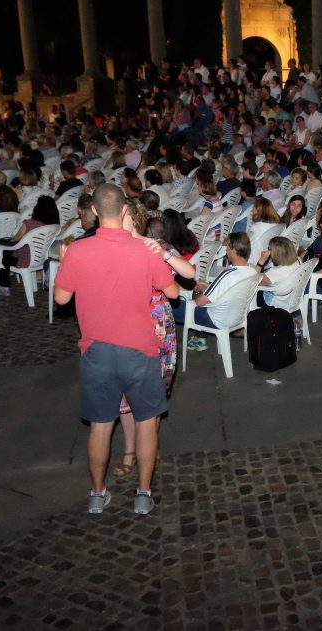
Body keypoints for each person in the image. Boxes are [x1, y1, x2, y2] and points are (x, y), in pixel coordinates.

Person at [53, 184, 178, 515]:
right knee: (147, 421)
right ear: (124, 209)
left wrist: (64, 263)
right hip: (140, 349)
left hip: (97, 351)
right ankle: (144, 493)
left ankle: (97, 494)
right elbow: (174, 291)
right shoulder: (143, 250)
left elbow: (61, 299)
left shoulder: (78, 251)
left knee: (100, 425)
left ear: (93, 211)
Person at [111, 199, 195, 479]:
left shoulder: (154, 245)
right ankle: (129, 451)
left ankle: (150, 445)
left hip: (157, 323)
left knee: (154, 389)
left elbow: (189, 274)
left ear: (132, 220)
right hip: (124, 322)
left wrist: (163, 252)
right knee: (124, 392)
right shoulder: (114, 248)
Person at [171, 232, 257, 351]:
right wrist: (208, 286)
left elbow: (200, 302)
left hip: (215, 319)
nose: (226, 251)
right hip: (237, 316)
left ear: (234, 250)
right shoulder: (252, 271)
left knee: (171, 307)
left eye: (227, 247)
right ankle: (199, 337)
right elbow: (228, 288)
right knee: (196, 295)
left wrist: (197, 290)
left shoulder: (228, 274)